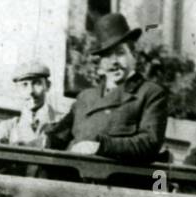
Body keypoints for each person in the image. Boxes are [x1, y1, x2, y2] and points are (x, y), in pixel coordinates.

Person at [43, 12, 167, 164]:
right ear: (101, 64)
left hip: (119, 181)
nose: (113, 62)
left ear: (132, 55)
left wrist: (101, 146)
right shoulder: (85, 97)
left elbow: (149, 143)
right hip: (78, 180)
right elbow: (57, 137)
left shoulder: (149, 93)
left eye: (120, 53)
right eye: (107, 56)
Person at [0, 61, 63, 148]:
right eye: (24, 85)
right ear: (17, 90)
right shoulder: (7, 128)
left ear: (48, 86)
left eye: (37, 83)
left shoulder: (62, 123)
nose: (30, 91)